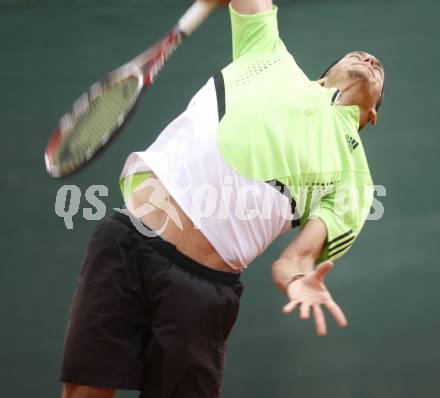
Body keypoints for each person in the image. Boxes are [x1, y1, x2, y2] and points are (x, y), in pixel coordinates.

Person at [60, 0, 385, 397]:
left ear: (373, 116)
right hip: (126, 241)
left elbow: (295, 260)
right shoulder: (269, 54)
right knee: (84, 392)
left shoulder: (356, 179)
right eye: (359, 55)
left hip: (201, 288)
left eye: (379, 69)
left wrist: (299, 281)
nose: (370, 59)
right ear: (322, 77)